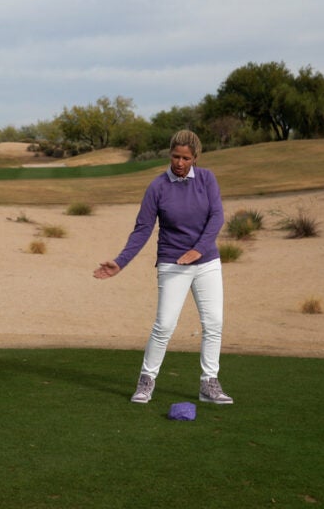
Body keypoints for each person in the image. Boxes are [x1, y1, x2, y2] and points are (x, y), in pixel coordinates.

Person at [93, 130, 233, 405]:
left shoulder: (207, 179)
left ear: (195, 158)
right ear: (169, 154)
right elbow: (143, 229)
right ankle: (146, 381)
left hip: (206, 262)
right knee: (165, 325)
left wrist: (198, 250)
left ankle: (209, 384)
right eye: (175, 156)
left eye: (186, 158)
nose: (180, 163)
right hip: (172, 262)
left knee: (213, 323)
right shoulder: (157, 187)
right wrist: (120, 262)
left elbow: (217, 217)